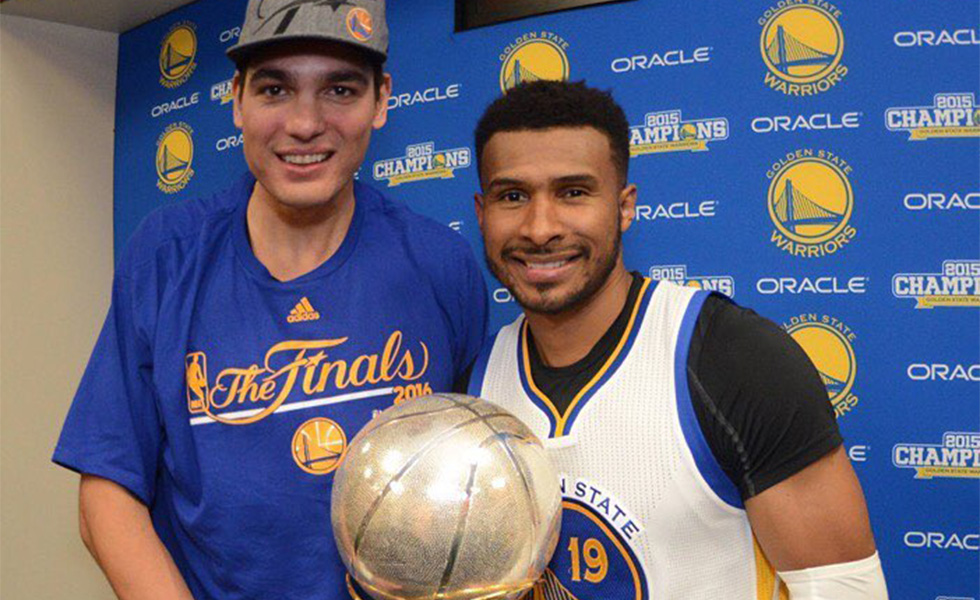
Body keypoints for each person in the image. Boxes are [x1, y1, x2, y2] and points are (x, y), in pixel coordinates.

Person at [52, 1, 487, 598]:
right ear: (236, 100)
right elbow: (107, 489)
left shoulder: (441, 264)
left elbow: (473, 473)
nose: (305, 123)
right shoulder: (167, 254)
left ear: (382, 100)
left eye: (339, 89)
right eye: (276, 89)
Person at [467, 80, 888, 599]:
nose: (540, 226)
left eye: (573, 192)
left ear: (624, 207)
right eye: (513, 196)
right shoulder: (475, 383)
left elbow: (845, 589)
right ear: (482, 214)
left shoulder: (732, 358)